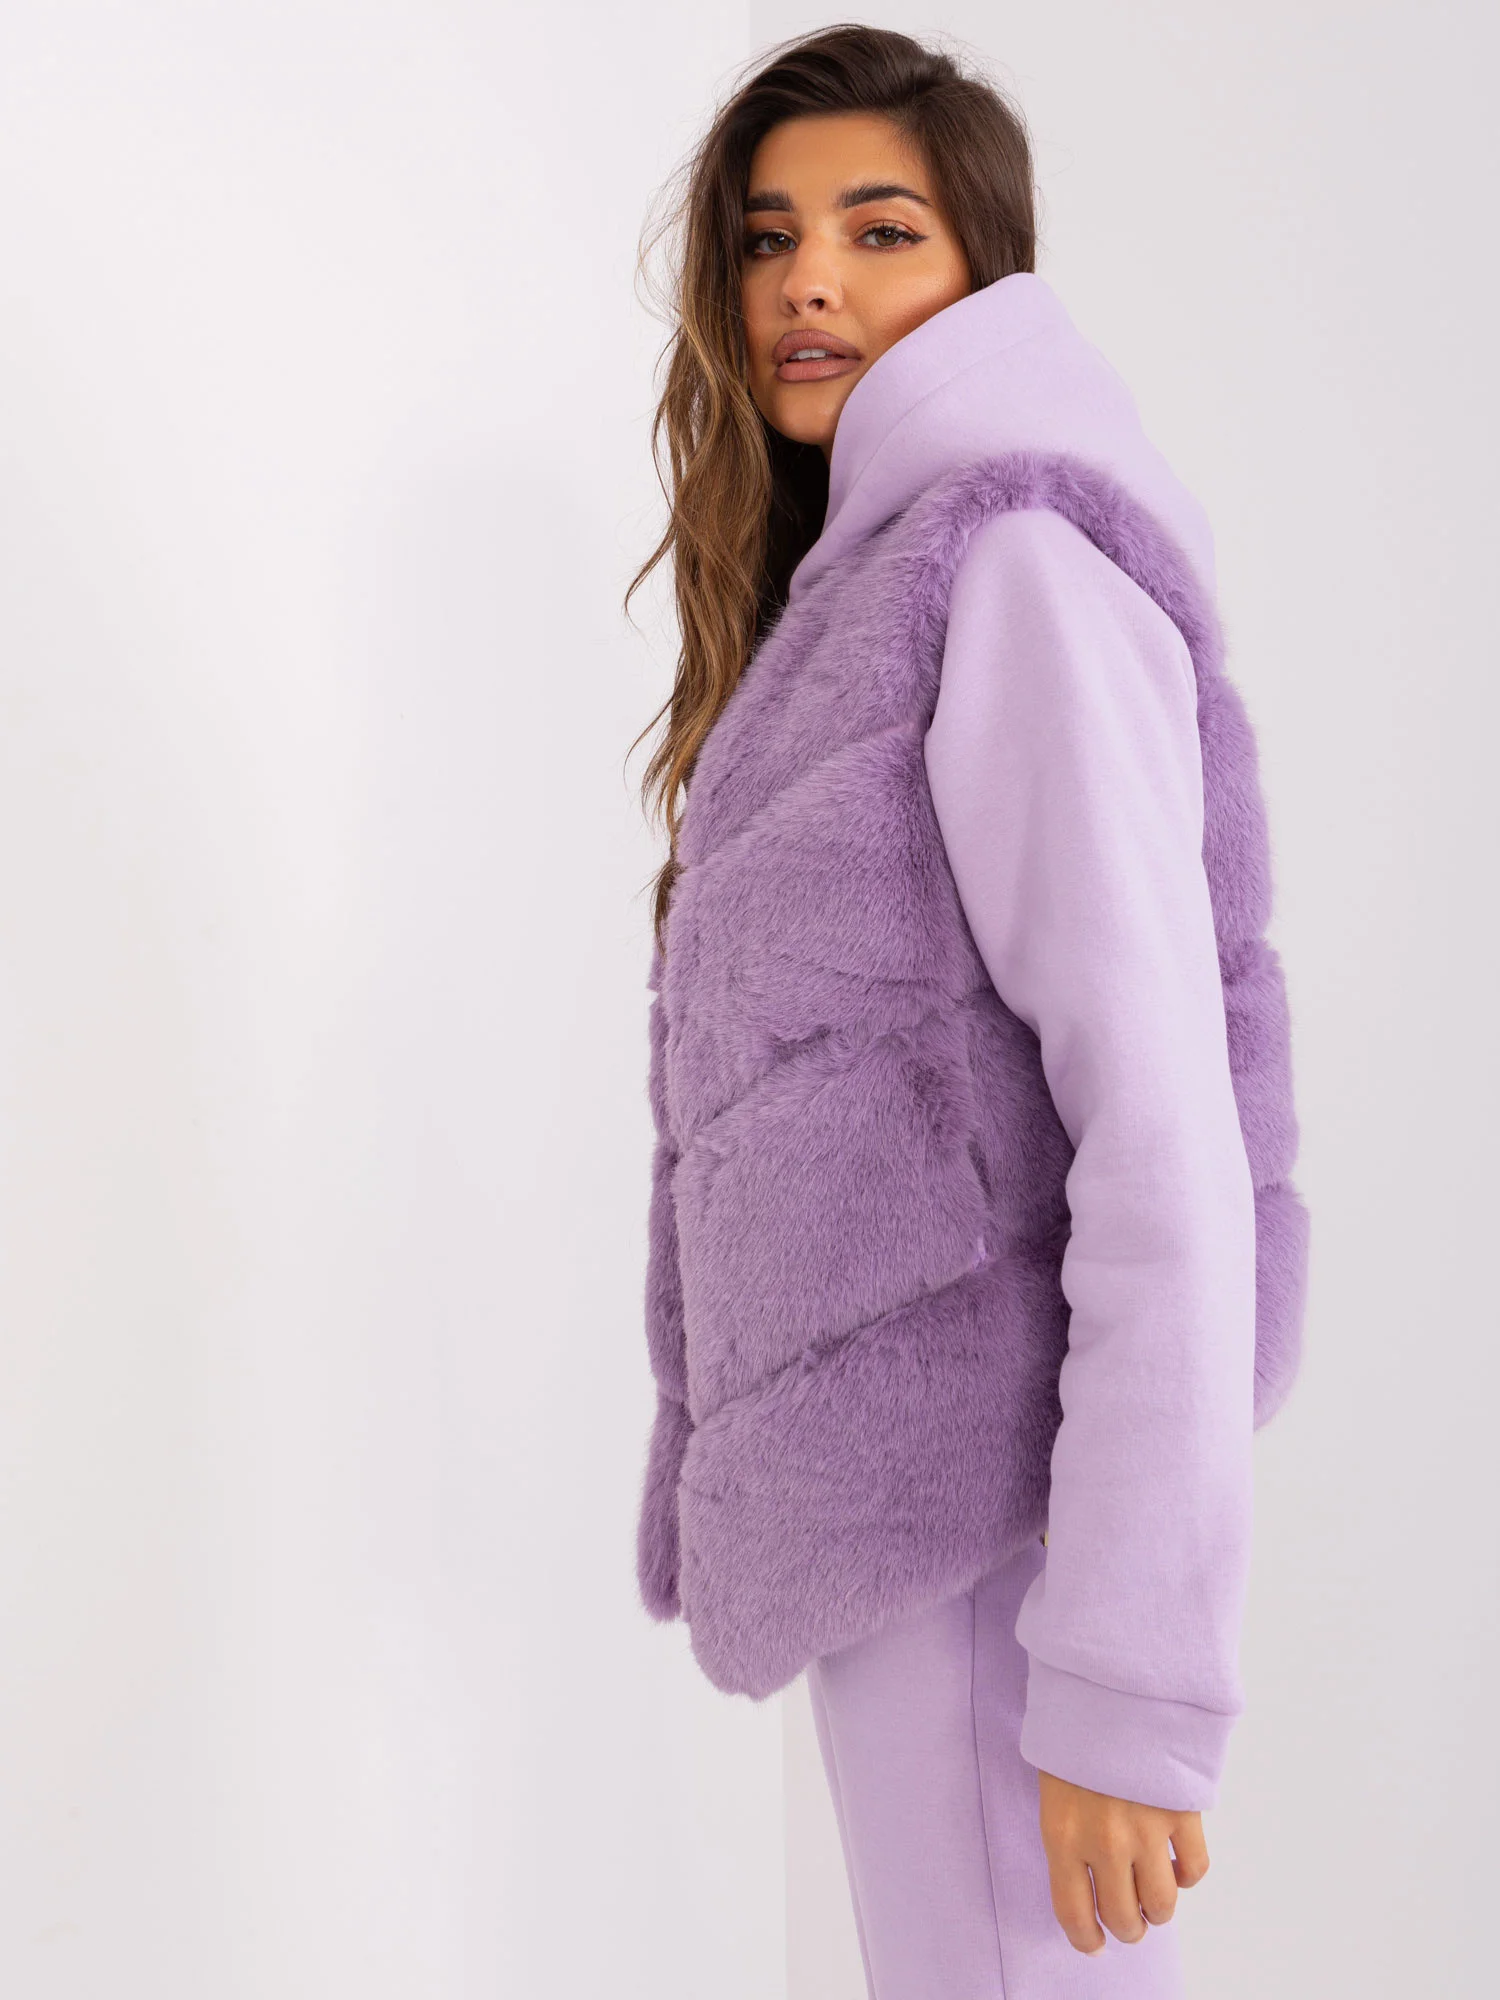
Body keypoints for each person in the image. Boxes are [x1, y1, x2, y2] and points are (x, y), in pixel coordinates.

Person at [624, 25, 1309, 1999]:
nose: (807, 283)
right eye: (769, 237)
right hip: (921, 1544)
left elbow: (1161, 1128)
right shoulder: (861, 598)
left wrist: (1124, 1679)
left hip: (1008, 1547)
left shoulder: (1008, 570)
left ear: (986, 269)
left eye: (880, 230)